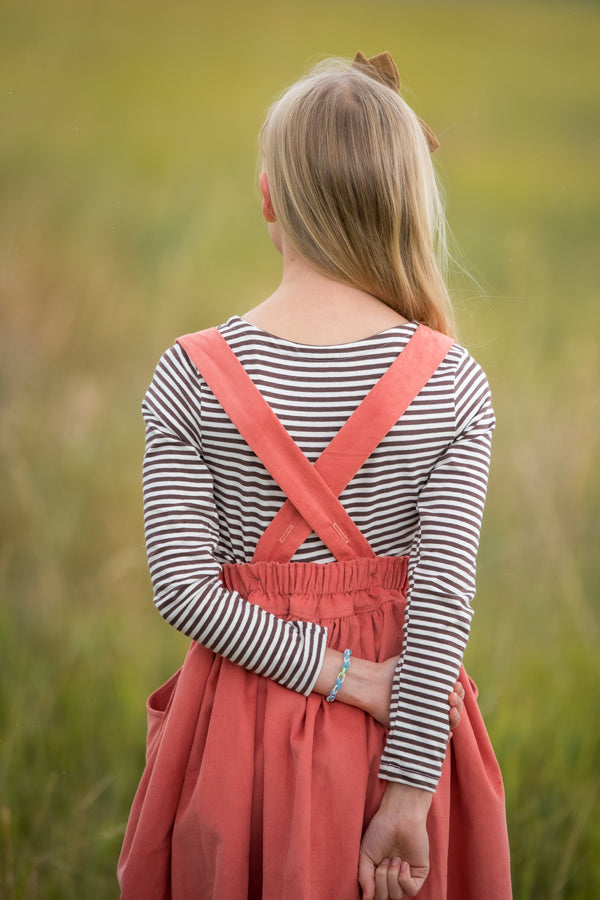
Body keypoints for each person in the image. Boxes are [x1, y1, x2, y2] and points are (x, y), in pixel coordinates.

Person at [118, 52, 512, 900]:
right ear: (403, 197)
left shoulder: (189, 374)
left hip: (238, 745)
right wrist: (409, 791)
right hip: (404, 736)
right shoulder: (451, 383)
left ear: (268, 194)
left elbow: (184, 591)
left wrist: (342, 678)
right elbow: (442, 603)